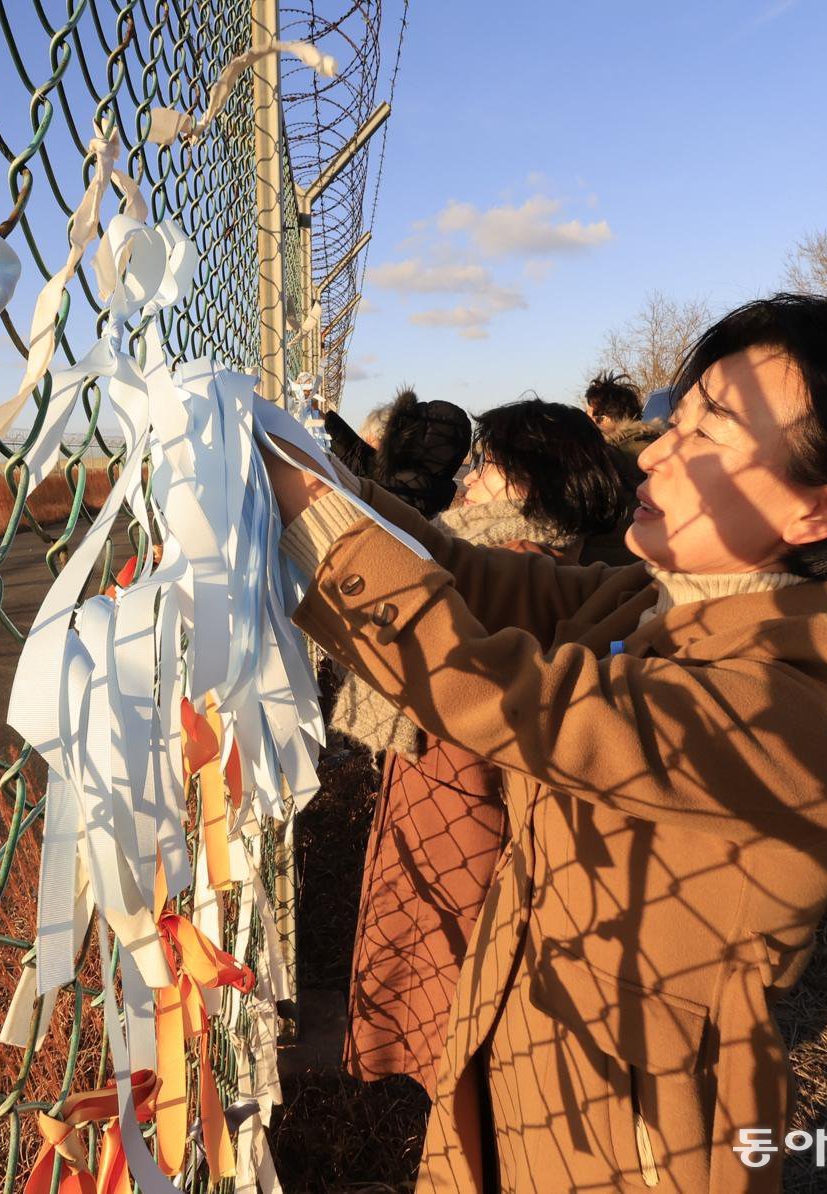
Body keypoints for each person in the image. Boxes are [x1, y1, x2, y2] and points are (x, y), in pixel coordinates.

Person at [264, 294, 827, 1192]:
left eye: (710, 433)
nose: (659, 451)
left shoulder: (824, 702)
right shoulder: (657, 598)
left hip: (639, 1129)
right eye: (681, 417)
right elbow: (475, 578)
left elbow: (524, 701)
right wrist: (321, 480)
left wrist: (320, 532)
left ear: (823, 509)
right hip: (521, 1031)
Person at [337, 399, 630, 1100]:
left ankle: (439, 1079)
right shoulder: (548, 556)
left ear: (531, 477)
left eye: (489, 466)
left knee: (437, 933)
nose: (471, 477)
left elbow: (439, 649)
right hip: (454, 777)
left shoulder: (515, 559)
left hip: (461, 782)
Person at [324, 389, 472, 520]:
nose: (375, 454)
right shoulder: (428, 489)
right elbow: (362, 460)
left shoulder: (403, 495)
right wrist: (330, 424)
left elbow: (369, 470)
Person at [581, 372, 664, 567]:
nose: (587, 423)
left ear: (606, 419)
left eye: (591, 416)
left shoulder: (607, 458)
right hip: (655, 555)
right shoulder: (660, 445)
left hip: (611, 564)